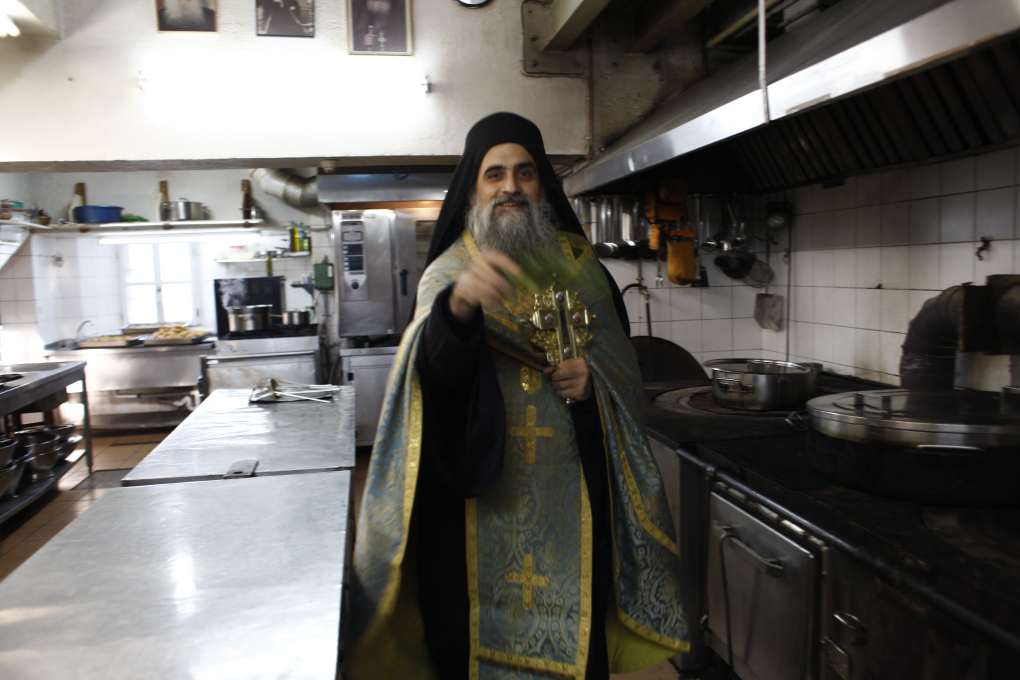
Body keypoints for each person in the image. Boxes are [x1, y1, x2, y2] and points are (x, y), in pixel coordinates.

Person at [349, 112, 688, 680]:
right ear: (473, 190)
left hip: (576, 508)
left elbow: (620, 372)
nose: (511, 185)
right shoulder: (449, 273)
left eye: (525, 173)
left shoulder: (582, 270)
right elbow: (428, 379)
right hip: (476, 503)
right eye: (495, 174)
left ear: (542, 187)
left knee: (581, 644)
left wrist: (593, 384)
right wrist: (460, 306)